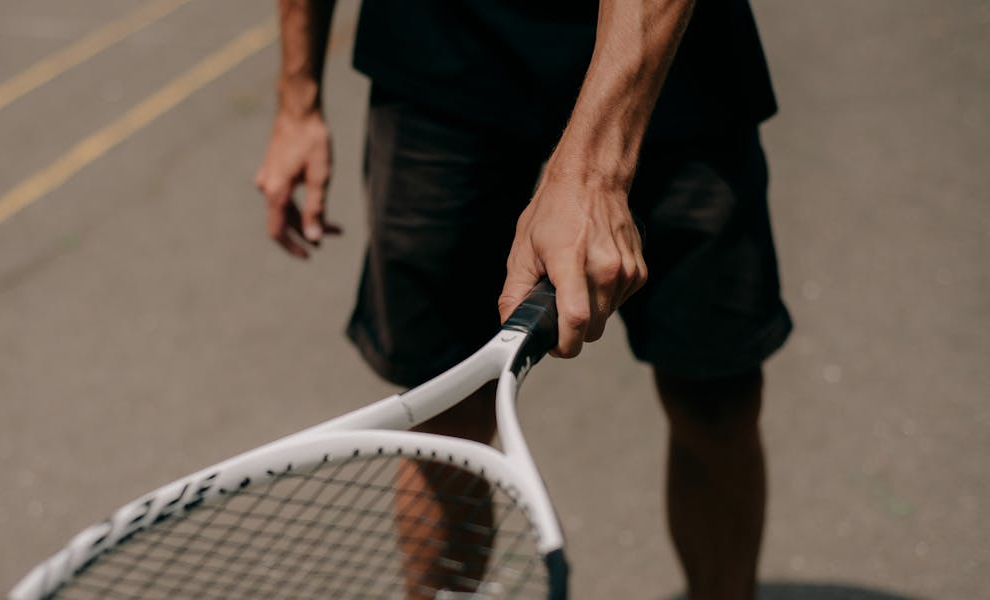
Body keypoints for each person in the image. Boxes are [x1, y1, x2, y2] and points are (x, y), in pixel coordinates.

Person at [255, 1, 792, 599]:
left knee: (715, 401)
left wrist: (591, 173)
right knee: (444, 422)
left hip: (669, 53)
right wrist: (297, 98)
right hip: (438, 48)